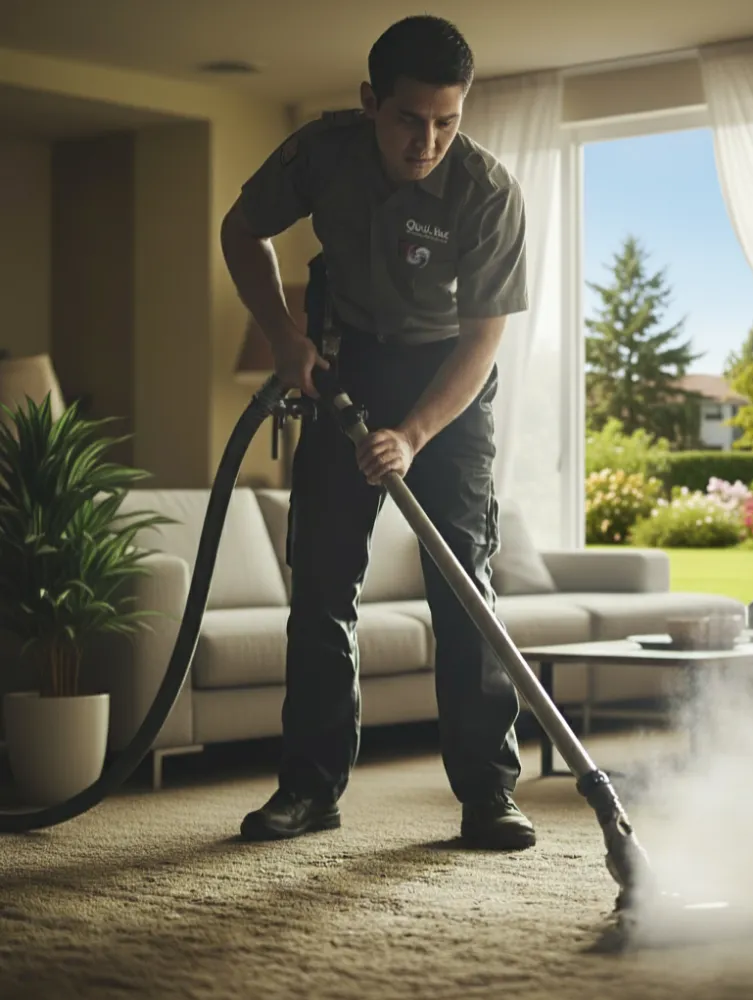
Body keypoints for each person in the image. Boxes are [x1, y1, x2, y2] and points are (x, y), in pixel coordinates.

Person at [220, 15, 535, 850]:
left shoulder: (488, 191)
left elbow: (483, 339)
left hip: (446, 386)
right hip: (344, 364)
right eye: (408, 119)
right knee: (322, 586)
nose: (427, 141)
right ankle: (309, 789)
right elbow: (239, 231)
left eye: (447, 122)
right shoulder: (324, 152)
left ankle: (489, 796)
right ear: (370, 102)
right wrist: (285, 339)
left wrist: (415, 433)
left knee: (463, 587)